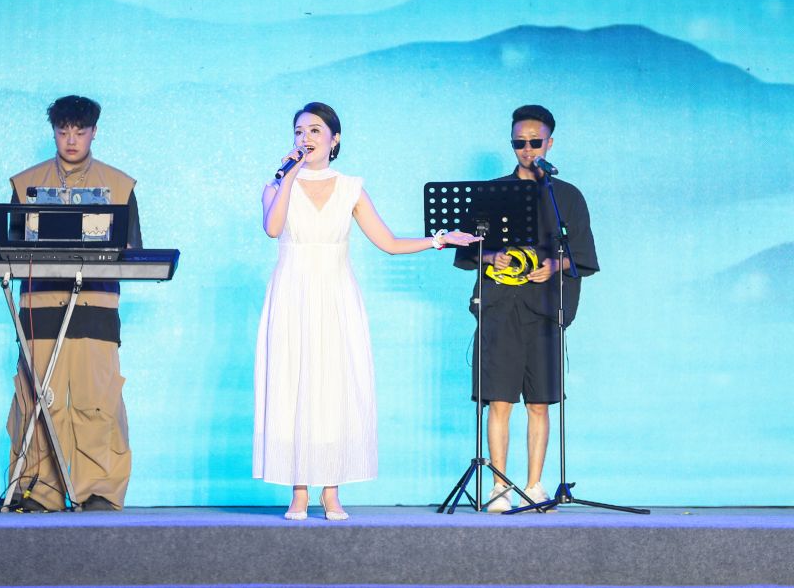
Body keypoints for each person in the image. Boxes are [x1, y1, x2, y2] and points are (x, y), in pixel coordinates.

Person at [254, 102, 480, 520]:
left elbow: (388, 242)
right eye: (299, 131)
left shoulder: (350, 187)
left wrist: (439, 239)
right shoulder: (277, 184)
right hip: (291, 294)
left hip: (336, 295)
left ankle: (331, 490)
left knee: (334, 388)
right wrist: (288, 176)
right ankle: (298, 490)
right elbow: (272, 228)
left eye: (315, 130)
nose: (305, 138)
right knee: (293, 385)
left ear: (334, 138)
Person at [453, 104, 599, 513]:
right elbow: (466, 250)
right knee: (499, 400)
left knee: (539, 402)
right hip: (500, 306)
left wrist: (554, 265)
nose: (527, 150)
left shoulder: (566, 196)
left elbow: (584, 256)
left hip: (544, 309)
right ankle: (499, 486)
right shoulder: (492, 192)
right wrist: (491, 257)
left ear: (549, 143)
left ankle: (535, 485)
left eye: (535, 142)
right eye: (519, 143)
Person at [5, 95, 142, 511]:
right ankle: (37, 490)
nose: (71, 140)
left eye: (79, 131)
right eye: (63, 131)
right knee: (38, 400)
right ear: (53, 132)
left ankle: (99, 491)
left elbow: (134, 252)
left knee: (96, 401)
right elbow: (9, 248)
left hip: (95, 310)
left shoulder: (119, 185)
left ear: (94, 132)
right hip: (40, 309)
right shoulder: (25, 184)